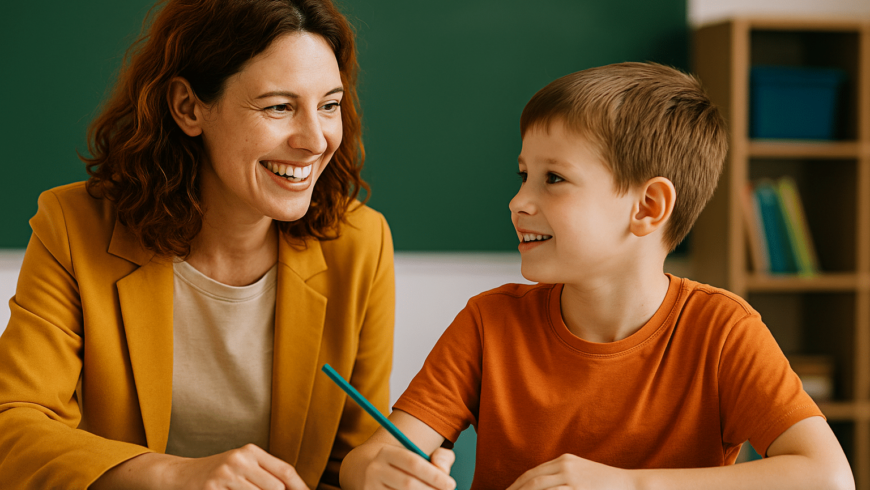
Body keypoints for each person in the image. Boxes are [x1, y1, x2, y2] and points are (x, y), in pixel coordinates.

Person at [339, 62, 855, 490]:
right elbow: (373, 456)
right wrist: (376, 470)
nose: (518, 201)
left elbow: (828, 477)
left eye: (553, 179)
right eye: (524, 175)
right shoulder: (488, 323)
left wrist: (628, 484)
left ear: (648, 206)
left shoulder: (721, 331)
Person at [0, 1, 394, 489]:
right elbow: (13, 432)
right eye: (279, 106)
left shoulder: (360, 243)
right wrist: (176, 476)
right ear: (188, 107)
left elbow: (348, 462)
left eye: (329, 105)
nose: (316, 141)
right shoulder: (73, 227)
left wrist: (382, 474)